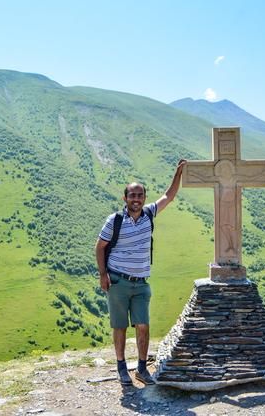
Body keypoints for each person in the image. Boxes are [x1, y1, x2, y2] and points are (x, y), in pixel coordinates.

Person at [95, 160, 186, 385]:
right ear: (125, 198)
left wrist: (179, 173)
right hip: (117, 281)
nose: (136, 199)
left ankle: (142, 369)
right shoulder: (114, 220)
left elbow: (169, 196)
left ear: (144, 198)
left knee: (143, 325)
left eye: (140, 195)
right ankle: (121, 368)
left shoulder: (148, 215)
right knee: (120, 326)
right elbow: (100, 246)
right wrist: (102, 274)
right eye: (132, 195)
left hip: (141, 282)